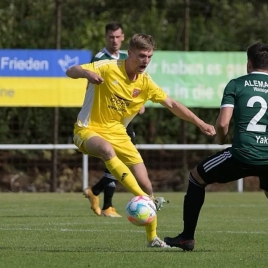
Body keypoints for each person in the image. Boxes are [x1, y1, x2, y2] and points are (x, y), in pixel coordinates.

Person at [66, 33, 215, 248]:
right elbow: (70, 70)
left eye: (150, 56)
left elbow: (172, 104)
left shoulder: (145, 83)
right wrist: (87, 73)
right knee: (107, 151)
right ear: (131, 53)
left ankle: (152, 238)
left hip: (119, 133)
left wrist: (201, 123)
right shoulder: (108, 67)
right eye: (142, 56)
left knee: (146, 184)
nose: (145, 61)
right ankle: (145, 200)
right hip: (87, 130)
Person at [164, 42, 268, 253]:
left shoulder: (237, 85)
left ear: (249, 63)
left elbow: (223, 123)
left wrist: (221, 139)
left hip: (243, 154)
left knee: (196, 178)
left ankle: (187, 238)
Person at [83, 21, 145, 218]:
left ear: (123, 37)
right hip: (106, 117)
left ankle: (95, 191)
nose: (115, 40)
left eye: (118, 37)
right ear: (106, 38)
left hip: (123, 116)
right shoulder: (101, 58)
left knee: (122, 161)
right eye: (111, 37)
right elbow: (91, 84)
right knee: (113, 159)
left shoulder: (127, 58)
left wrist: (139, 101)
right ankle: (108, 205)